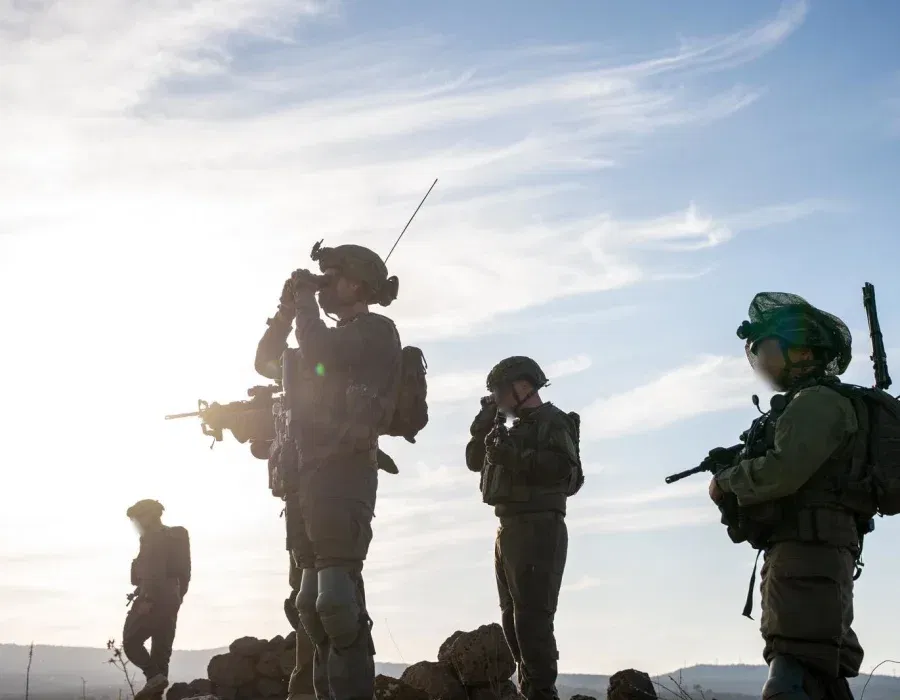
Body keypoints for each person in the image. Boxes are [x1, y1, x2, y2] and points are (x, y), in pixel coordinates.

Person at [255, 242, 402, 700]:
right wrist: (286, 310)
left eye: (331, 278)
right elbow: (265, 361)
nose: (322, 289)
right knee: (310, 608)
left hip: (344, 477)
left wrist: (304, 303)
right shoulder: (317, 340)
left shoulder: (375, 332)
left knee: (337, 604)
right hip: (304, 481)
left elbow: (321, 346)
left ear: (356, 284)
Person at [709, 292, 864, 700]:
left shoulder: (817, 403)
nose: (763, 363)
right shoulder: (808, 404)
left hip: (809, 553)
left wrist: (727, 481)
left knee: (790, 678)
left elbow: (783, 471)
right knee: (815, 674)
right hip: (803, 551)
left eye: (768, 351)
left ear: (803, 352)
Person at [465, 357, 583, 700]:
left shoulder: (553, 421)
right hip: (509, 528)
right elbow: (474, 461)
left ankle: (541, 692)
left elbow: (563, 470)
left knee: (532, 621)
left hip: (538, 526)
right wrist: (484, 426)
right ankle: (528, 688)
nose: (498, 398)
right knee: (513, 620)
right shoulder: (510, 429)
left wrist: (513, 456)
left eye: (501, 391)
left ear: (523, 387)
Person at [122, 499, 191, 700]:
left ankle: (153, 677)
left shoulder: (152, 538)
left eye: (137, 518)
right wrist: (177, 598)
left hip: (152, 597)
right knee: (161, 651)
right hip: (172, 598)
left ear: (148, 517)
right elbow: (185, 572)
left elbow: (154, 571)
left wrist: (148, 599)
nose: (136, 523)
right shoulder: (177, 536)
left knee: (131, 641)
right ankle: (156, 694)